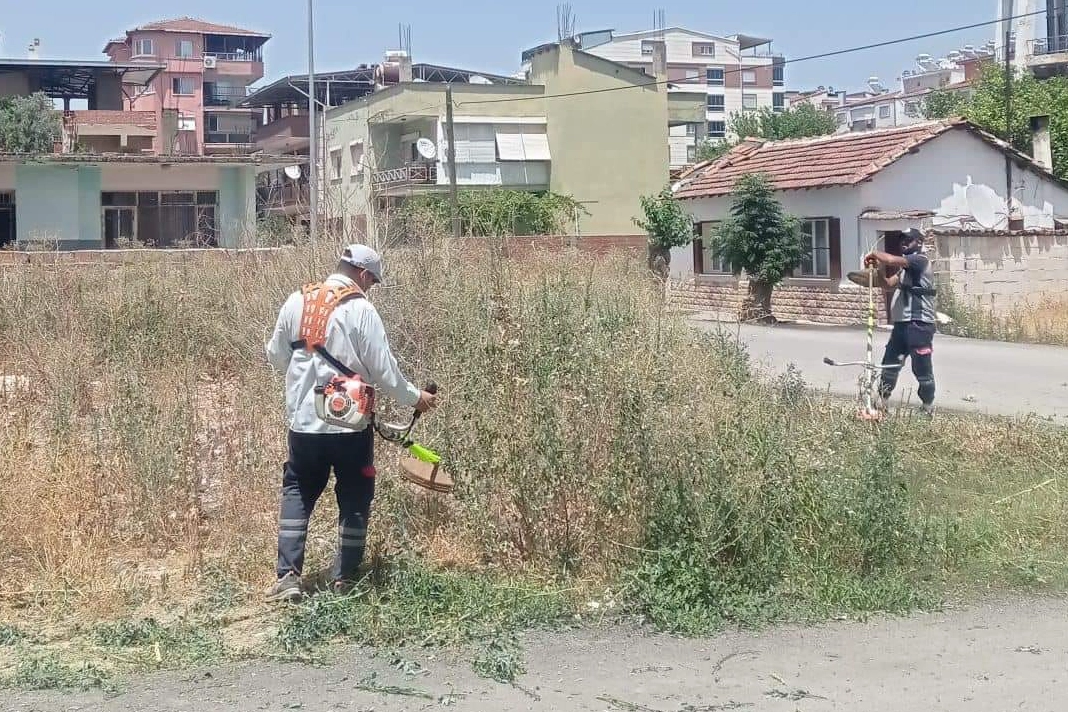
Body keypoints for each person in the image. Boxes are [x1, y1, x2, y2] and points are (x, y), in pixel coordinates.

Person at [264, 244, 437, 602]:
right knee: (355, 493)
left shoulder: (297, 300)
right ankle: (345, 578)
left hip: (303, 421)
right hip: (350, 424)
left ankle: (288, 577)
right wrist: (414, 398)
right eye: (372, 280)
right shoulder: (361, 309)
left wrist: (303, 387)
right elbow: (384, 372)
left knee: (298, 489)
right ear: (362, 274)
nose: (371, 287)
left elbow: (276, 354)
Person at [864, 228, 938, 417]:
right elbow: (888, 284)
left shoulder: (919, 261)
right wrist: (876, 270)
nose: (904, 243)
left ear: (919, 242)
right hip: (902, 324)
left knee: (921, 368)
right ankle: (881, 402)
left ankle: (927, 407)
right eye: (902, 240)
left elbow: (889, 259)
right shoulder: (905, 270)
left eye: (909, 240)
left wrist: (875, 254)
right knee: (890, 364)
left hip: (919, 323)